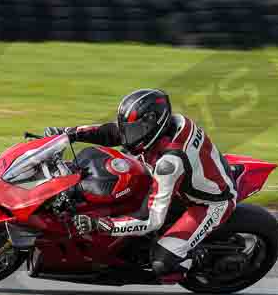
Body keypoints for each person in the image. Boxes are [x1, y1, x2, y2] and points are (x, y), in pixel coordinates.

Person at [44, 89, 236, 283]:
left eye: (133, 130)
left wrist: (99, 224)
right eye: (128, 129)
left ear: (154, 124)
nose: (127, 137)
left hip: (208, 203)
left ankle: (193, 265)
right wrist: (68, 134)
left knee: (162, 262)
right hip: (183, 179)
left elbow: (151, 220)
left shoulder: (169, 163)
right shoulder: (172, 122)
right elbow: (112, 132)